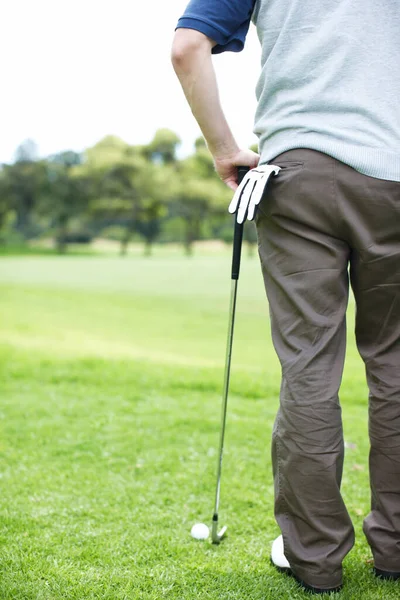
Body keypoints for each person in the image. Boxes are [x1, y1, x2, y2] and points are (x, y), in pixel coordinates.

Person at [171, 0, 400, 594]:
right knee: (397, 365)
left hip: (297, 173)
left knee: (308, 368)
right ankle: (397, 547)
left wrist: (225, 151)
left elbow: (186, 46)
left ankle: (314, 558)